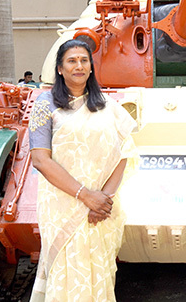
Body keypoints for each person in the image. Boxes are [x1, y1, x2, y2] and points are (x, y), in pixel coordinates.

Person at [28, 39, 138, 302]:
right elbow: (40, 160)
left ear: (91, 67)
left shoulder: (108, 107)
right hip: (62, 205)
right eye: (71, 60)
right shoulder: (45, 104)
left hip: (100, 209)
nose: (78, 65)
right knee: (65, 270)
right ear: (60, 69)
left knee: (97, 270)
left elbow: (125, 153)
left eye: (84, 60)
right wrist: (85, 195)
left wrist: (103, 199)